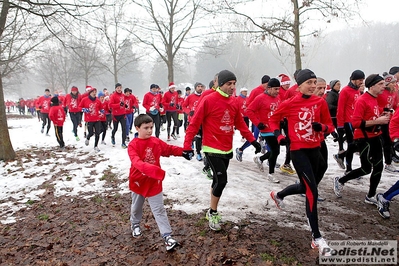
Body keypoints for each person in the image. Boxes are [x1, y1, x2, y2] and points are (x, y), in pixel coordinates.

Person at [183, 70, 261, 231]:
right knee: (222, 180)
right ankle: (212, 212)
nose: (232, 87)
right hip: (211, 147)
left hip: (226, 148)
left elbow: (240, 124)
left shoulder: (234, 102)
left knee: (217, 181)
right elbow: (194, 124)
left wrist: (253, 141)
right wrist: (186, 146)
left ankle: (211, 207)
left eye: (234, 84)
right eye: (229, 84)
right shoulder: (208, 100)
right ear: (220, 84)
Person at [269, 69, 335, 256]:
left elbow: (329, 126)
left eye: (315, 82)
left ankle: (279, 195)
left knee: (307, 186)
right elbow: (273, 119)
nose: (313, 86)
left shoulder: (320, 102)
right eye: (310, 83)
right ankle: (316, 237)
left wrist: (322, 127)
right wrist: (279, 135)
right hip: (297, 150)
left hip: (315, 148)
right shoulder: (290, 103)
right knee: (312, 191)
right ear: (300, 85)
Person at [127, 113, 192, 251]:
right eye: (146, 128)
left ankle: (167, 237)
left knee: (159, 209)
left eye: (151, 127)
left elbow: (168, 149)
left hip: (154, 182)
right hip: (139, 181)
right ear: (137, 128)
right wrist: (154, 171)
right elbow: (136, 162)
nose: (150, 130)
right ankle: (135, 224)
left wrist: (183, 152)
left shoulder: (155, 141)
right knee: (136, 207)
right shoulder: (133, 145)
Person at [333, 74, 390, 205]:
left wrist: (381, 116)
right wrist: (377, 120)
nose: (384, 87)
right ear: (372, 86)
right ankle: (340, 180)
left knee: (378, 167)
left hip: (375, 137)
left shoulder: (376, 98)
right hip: (364, 139)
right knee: (366, 169)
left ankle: (370, 195)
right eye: (380, 84)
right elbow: (355, 123)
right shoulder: (362, 100)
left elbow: (373, 115)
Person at [247, 78, 281, 183]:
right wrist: (258, 123)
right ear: (269, 88)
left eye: (278, 89)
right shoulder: (260, 98)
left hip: (275, 128)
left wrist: (283, 119)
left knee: (275, 151)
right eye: (275, 89)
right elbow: (249, 110)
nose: (277, 91)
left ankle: (260, 159)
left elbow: (280, 110)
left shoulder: (278, 98)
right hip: (266, 129)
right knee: (275, 151)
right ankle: (271, 174)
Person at [333, 70, 365, 172]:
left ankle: (340, 155)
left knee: (358, 145)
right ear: (353, 80)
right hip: (348, 122)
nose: (361, 82)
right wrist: (340, 125)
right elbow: (340, 108)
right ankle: (349, 169)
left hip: (356, 121)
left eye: (363, 80)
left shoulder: (357, 91)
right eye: (360, 80)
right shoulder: (345, 91)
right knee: (351, 145)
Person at [235, 75, 270, 162]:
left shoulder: (269, 91)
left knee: (270, 137)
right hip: (257, 119)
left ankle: (270, 159)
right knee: (254, 137)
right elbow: (248, 104)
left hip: (266, 118)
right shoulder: (256, 91)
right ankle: (240, 150)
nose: (268, 86)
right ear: (263, 83)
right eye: (267, 84)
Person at [377, 73, 397, 173]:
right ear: (388, 83)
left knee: (388, 142)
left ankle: (388, 163)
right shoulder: (381, 92)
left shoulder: (394, 92)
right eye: (393, 83)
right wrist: (383, 110)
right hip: (377, 120)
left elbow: (395, 105)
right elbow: (373, 104)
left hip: (388, 120)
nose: (395, 84)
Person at [79, 87, 103, 152]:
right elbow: (79, 107)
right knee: (91, 132)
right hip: (89, 119)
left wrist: (102, 111)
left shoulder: (98, 100)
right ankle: (88, 138)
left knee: (97, 133)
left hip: (97, 119)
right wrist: (83, 109)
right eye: (93, 92)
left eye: (95, 92)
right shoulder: (84, 100)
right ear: (90, 93)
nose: (94, 93)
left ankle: (96, 146)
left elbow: (101, 108)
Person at [109, 83, 128, 148]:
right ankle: (112, 136)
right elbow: (110, 105)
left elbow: (123, 102)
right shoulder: (113, 96)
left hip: (123, 114)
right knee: (115, 128)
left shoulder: (123, 95)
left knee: (124, 128)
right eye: (118, 88)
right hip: (115, 115)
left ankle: (123, 143)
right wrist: (118, 105)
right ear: (115, 89)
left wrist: (125, 105)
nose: (119, 89)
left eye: (120, 88)